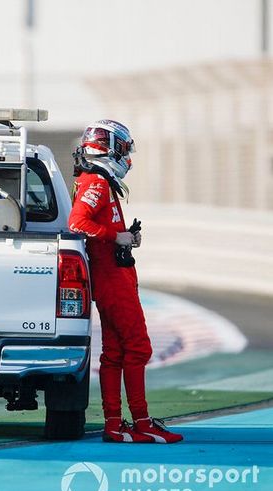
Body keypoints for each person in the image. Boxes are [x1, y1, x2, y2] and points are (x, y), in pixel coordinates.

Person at [68, 120, 183, 444]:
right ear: (110, 147)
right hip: (111, 279)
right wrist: (116, 236)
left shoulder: (100, 181)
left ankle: (115, 425)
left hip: (114, 276)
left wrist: (126, 237)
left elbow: (98, 226)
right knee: (138, 346)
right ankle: (141, 421)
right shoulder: (97, 182)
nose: (127, 157)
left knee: (116, 352)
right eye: (122, 148)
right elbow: (77, 222)